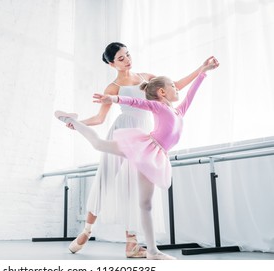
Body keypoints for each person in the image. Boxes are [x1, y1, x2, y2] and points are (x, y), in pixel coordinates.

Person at [55, 57, 220, 260]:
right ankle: (69, 119)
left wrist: (204, 71)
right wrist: (113, 99)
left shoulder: (178, 111)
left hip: (156, 156)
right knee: (100, 144)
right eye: (172, 87)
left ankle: (152, 251)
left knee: (146, 204)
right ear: (162, 92)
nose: (177, 89)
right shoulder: (159, 107)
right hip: (145, 147)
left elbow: (191, 94)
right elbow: (136, 102)